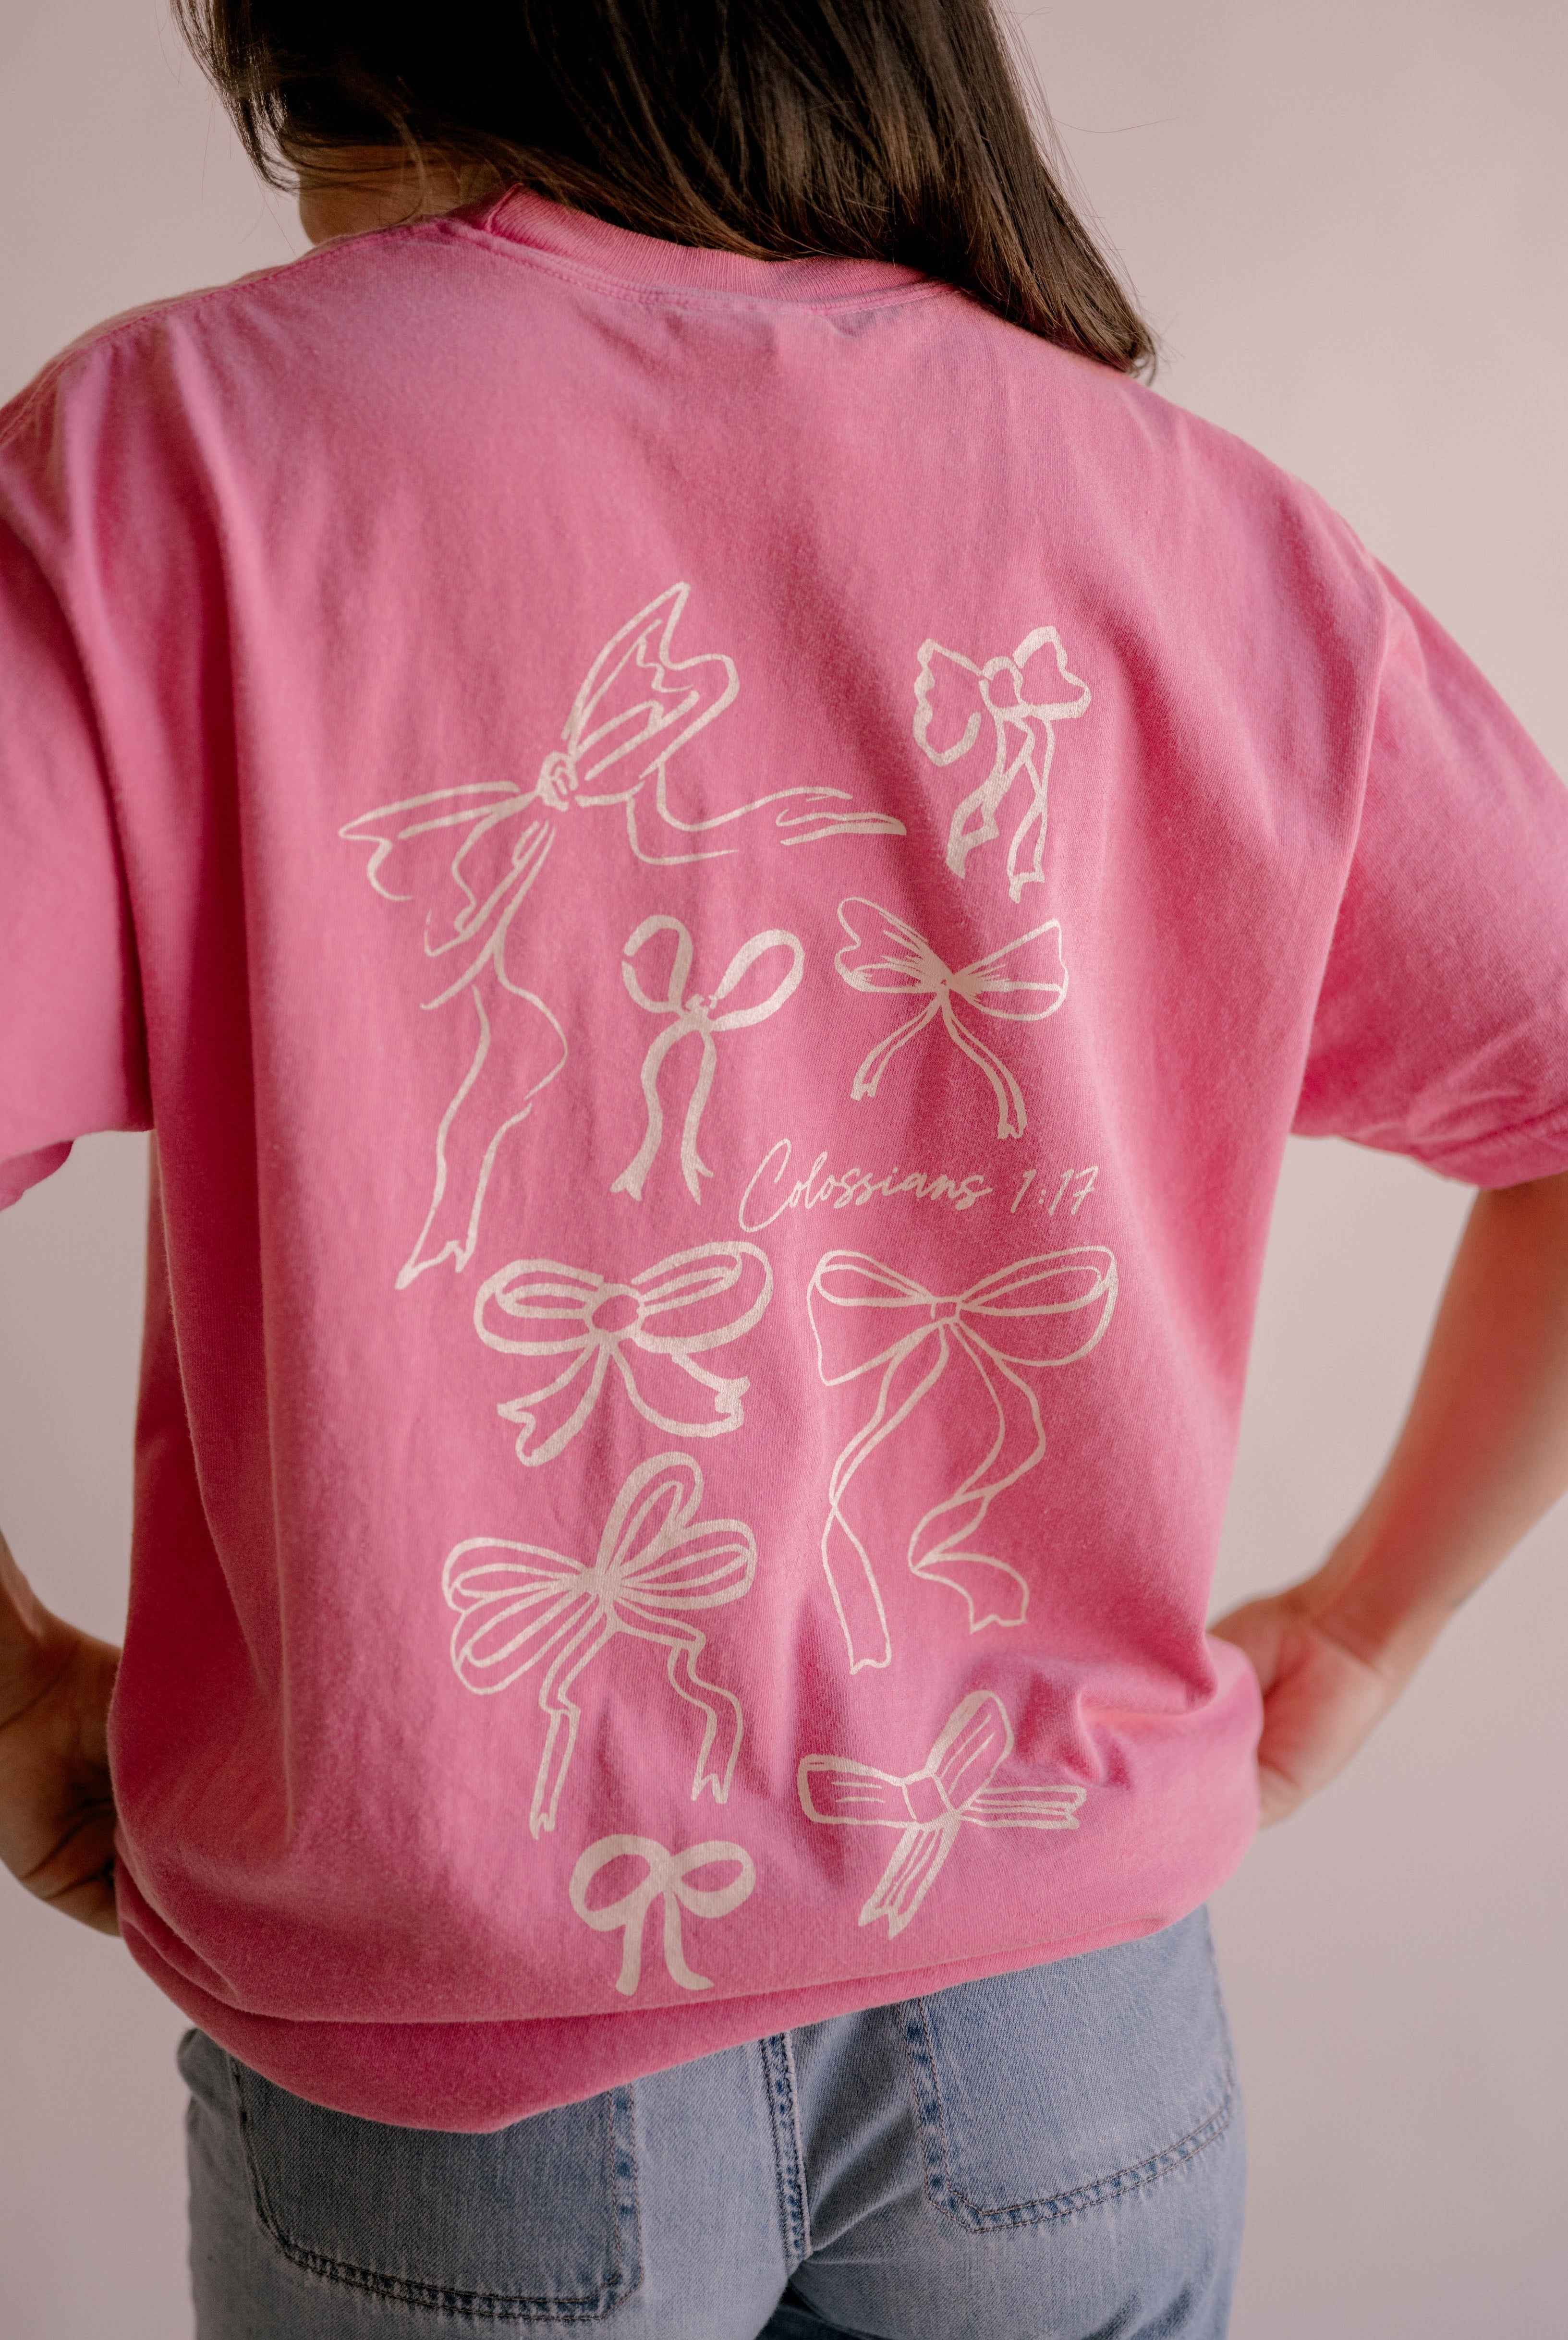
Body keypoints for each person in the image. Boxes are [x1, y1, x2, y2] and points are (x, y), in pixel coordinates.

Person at [1, 2, 1565, 2333]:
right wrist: (1363, 1627)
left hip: (466, 2076)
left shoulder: (171, 457)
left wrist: (9, 1688)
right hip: (1066, 2034)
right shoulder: (1180, 515)